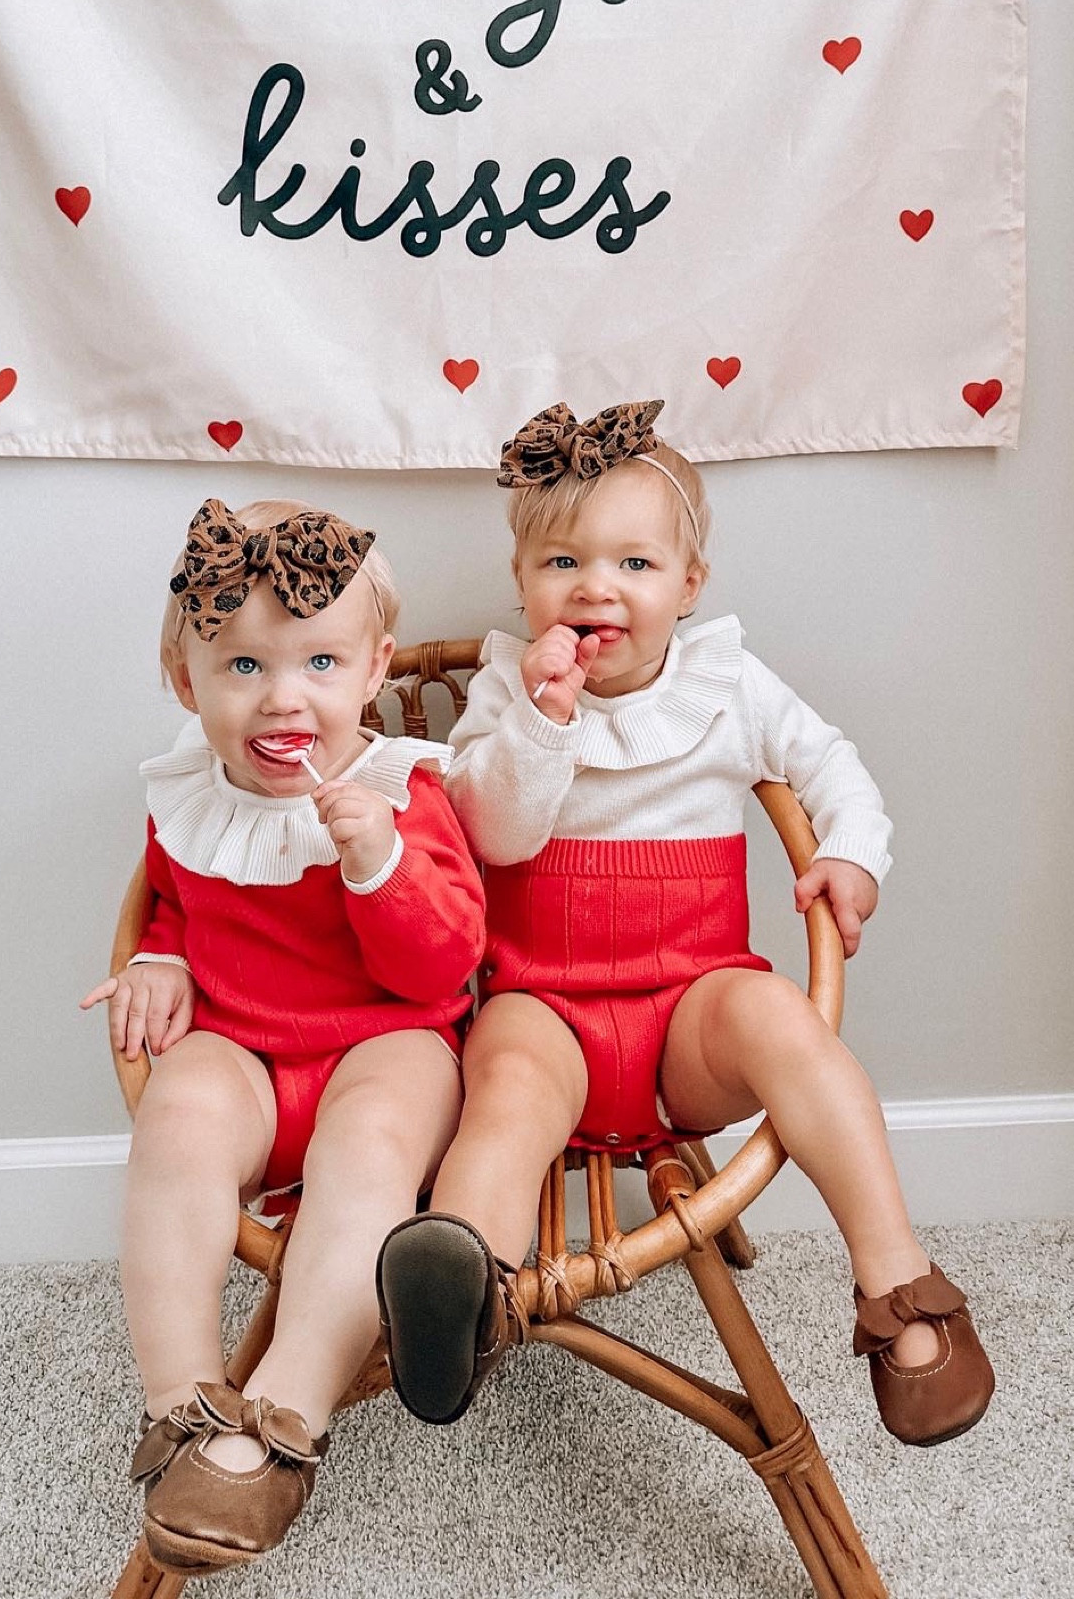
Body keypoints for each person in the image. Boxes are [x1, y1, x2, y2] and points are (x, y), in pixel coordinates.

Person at [375, 401, 993, 1447]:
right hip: (544, 1002)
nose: (595, 585)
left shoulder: (727, 682)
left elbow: (831, 764)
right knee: (506, 1084)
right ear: (523, 580)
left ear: (688, 585)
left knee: (782, 1017)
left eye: (634, 562)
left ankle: (895, 1280)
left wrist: (848, 853)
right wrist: (541, 720)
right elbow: (490, 833)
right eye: (562, 559)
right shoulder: (502, 689)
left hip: (687, 1013)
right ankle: (461, 1279)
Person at [83, 498, 484, 1572]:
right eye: (243, 666)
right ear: (189, 683)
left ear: (373, 668)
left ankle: (286, 1412)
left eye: (317, 660)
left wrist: (378, 865)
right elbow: (178, 890)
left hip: (389, 1038)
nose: (283, 696)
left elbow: (445, 963)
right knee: (178, 1113)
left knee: (371, 1143)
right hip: (246, 1043)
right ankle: (181, 1409)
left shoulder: (405, 787)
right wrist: (161, 951)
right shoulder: (192, 793)